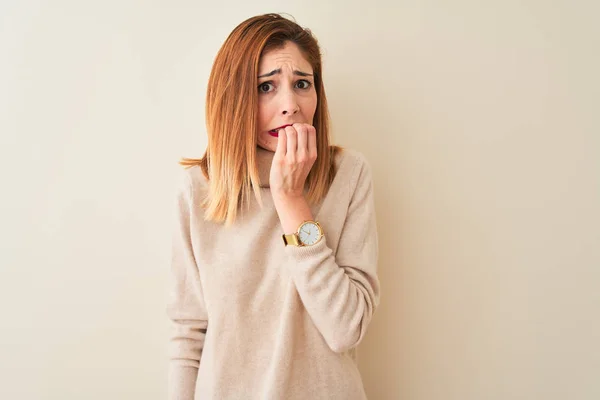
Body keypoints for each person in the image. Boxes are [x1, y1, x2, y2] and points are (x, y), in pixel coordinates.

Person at [167, 13, 381, 400]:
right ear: (234, 98)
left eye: (302, 84)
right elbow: (188, 337)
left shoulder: (348, 175)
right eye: (266, 87)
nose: (290, 105)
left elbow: (346, 327)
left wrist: (291, 200)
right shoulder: (198, 189)